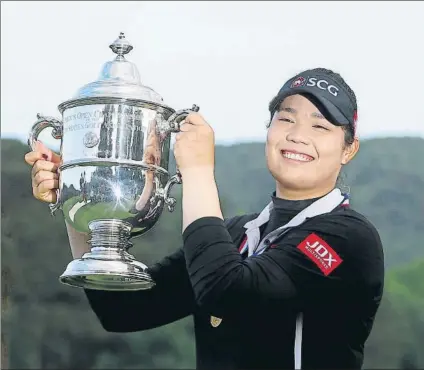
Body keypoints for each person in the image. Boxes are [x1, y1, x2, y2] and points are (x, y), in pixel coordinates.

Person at [25, 68, 385, 369]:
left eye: (319, 127)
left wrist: (197, 171)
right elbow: (120, 311)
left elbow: (229, 293)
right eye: (286, 119)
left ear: (348, 149)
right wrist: (82, 201)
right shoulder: (236, 235)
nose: (296, 135)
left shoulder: (348, 238)